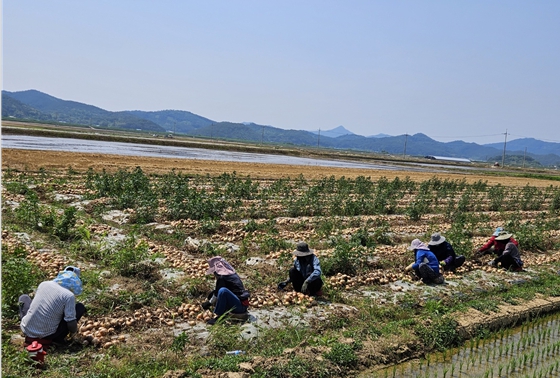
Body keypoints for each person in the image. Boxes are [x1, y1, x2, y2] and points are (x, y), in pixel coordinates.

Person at [19, 266, 86, 346]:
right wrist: (74, 333)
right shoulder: (69, 296)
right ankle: (57, 339)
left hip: (26, 329)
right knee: (79, 307)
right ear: (76, 283)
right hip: (48, 335)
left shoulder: (44, 284)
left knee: (23, 298)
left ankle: (29, 325)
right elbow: (71, 322)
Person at [202, 256, 250, 325]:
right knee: (217, 292)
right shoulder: (230, 275)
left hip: (240, 307)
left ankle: (219, 317)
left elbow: (218, 293)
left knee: (222, 291)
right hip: (239, 303)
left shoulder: (222, 278)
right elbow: (216, 293)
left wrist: (209, 303)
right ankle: (222, 311)